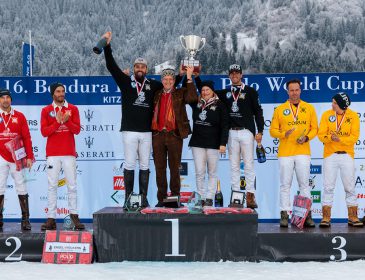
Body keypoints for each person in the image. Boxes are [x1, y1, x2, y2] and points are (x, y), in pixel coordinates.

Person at [100, 32, 182, 208]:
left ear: (146, 69)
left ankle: (143, 199)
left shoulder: (153, 85)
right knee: (129, 164)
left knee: (145, 164)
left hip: (147, 132)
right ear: (134, 67)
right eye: (137, 66)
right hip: (129, 131)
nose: (139, 69)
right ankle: (128, 199)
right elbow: (111, 66)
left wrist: (182, 75)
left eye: (142, 67)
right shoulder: (125, 81)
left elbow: (170, 85)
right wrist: (107, 46)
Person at [214, 64, 264, 209]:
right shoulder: (224, 93)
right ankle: (236, 197)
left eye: (237, 73)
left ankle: (250, 196)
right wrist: (195, 78)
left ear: (241, 75)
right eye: (232, 73)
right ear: (229, 76)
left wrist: (259, 131)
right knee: (234, 166)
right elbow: (207, 91)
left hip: (247, 132)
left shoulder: (251, 91)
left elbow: (258, 112)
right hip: (231, 133)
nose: (234, 75)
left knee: (249, 165)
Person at [270, 78, 318, 227]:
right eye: (291, 90)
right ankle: (284, 214)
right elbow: (272, 131)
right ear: (287, 91)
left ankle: (307, 215)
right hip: (285, 152)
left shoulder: (309, 108)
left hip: (303, 151)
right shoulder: (280, 109)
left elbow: (314, 128)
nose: (294, 92)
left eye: (297, 89)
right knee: (285, 185)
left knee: (304, 185)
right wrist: (284, 134)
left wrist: (307, 137)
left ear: (300, 90)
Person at [40, 83, 84, 230]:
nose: (61, 94)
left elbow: (77, 130)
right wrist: (57, 122)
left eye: (63, 91)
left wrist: (67, 121)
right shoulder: (46, 110)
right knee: (52, 186)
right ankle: (51, 219)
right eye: (58, 91)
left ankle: (74, 216)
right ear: (53, 94)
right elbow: (44, 132)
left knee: (72, 186)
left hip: (69, 153)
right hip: (53, 154)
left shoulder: (73, 108)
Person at [152, 66, 198, 207]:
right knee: (159, 168)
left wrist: (189, 78)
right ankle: (161, 199)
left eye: (170, 79)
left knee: (174, 168)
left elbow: (192, 98)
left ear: (174, 81)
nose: (167, 81)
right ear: (162, 80)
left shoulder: (180, 92)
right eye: (165, 79)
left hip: (174, 134)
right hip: (158, 134)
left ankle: (175, 198)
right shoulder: (156, 93)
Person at [318, 92, 363, 227]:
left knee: (349, 187)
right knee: (328, 187)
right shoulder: (327, 115)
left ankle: (353, 217)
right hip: (330, 155)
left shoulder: (353, 116)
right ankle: (326, 217)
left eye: (335, 103)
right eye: (332, 102)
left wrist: (340, 139)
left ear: (342, 105)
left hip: (347, 155)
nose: (332, 105)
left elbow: (354, 137)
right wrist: (330, 138)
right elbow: (321, 135)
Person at [189, 80, 229, 206]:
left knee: (212, 172)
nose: (205, 92)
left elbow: (225, 125)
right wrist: (190, 78)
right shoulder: (196, 103)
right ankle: (200, 197)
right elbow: (189, 93)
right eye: (203, 90)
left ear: (212, 91)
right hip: (197, 143)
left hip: (213, 143)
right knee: (200, 172)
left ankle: (209, 197)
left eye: (207, 90)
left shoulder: (220, 105)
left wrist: (223, 143)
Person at [0, 89, 34, 231]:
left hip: (16, 156)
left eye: (8, 97)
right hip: (0, 156)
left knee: (21, 186)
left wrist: (30, 156)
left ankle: (25, 219)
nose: (5, 100)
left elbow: (26, 137)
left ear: (11, 100)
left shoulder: (19, 116)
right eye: (2, 98)